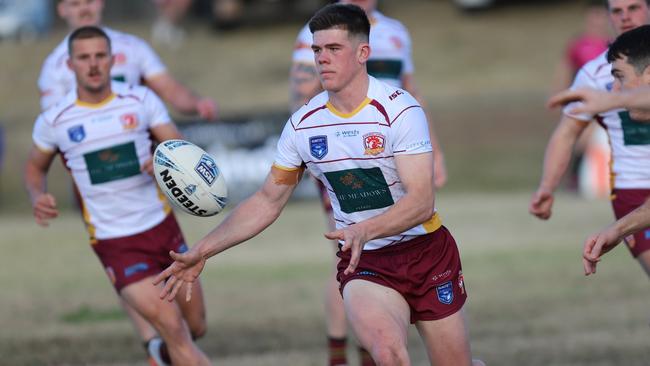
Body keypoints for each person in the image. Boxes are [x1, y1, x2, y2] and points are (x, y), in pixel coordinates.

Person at [155, 4, 483, 365]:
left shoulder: (400, 111)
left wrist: (366, 228)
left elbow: (421, 201)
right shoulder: (303, 125)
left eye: (333, 49)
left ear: (363, 53)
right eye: (317, 50)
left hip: (426, 251)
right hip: (366, 264)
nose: (322, 59)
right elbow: (267, 200)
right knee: (389, 354)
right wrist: (203, 250)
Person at [24, 26, 211, 366]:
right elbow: (34, 169)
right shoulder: (55, 120)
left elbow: (180, 148)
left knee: (195, 325)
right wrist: (38, 195)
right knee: (173, 328)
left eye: (99, 56)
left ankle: (158, 355)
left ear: (112, 60)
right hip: (115, 242)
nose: (93, 64)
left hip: (162, 228)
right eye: (84, 58)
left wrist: (164, 161)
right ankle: (164, 347)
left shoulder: (140, 100)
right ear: (70, 65)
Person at [289, 1, 447, 364]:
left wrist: (435, 150)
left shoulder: (396, 32)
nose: (322, 56)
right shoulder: (320, 31)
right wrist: (316, 151)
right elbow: (301, 95)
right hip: (345, 155)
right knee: (348, 248)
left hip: (400, 151)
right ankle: (343, 352)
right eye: (319, 52)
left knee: (410, 230)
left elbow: (412, 90)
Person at [529, 0, 650, 276]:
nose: (626, 17)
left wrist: (610, 100)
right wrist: (547, 187)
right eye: (617, 11)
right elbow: (566, 132)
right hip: (634, 188)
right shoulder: (595, 72)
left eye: (634, 8)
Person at [39, 0, 217, 120]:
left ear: (101, 3)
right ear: (62, 9)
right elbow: (55, 123)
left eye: (90, 1)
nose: (84, 9)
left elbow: (169, 89)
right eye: (76, 4)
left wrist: (197, 104)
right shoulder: (53, 66)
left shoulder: (133, 47)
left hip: (140, 151)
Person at [550, 0, 611, 197]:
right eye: (593, 15)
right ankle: (572, 178)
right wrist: (558, 94)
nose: (597, 20)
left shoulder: (611, 45)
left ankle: (581, 178)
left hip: (604, 102)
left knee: (589, 141)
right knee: (575, 140)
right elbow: (565, 69)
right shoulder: (578, 44)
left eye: (601, 15)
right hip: (580, 102)